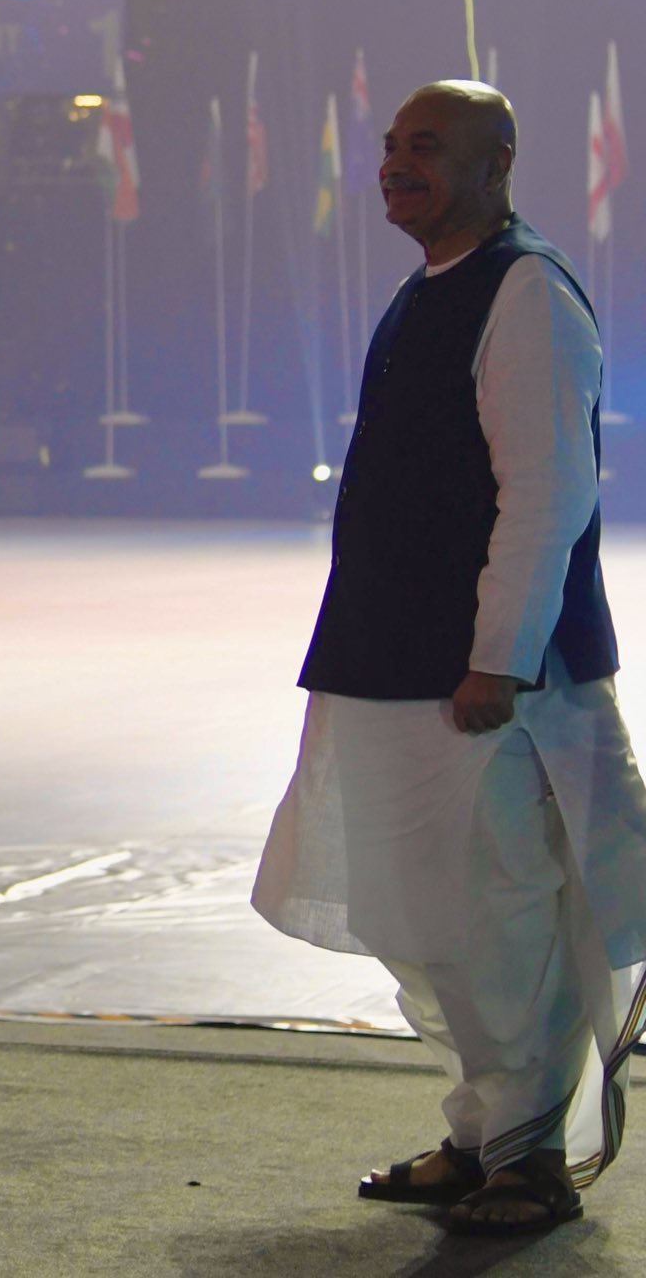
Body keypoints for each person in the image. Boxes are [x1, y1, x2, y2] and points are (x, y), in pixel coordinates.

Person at [253, 81, 646, 1235]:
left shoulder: (524, 291)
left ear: (498, 161)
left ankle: (528, 1157)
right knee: (416, 912)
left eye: (424, 145)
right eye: (388, 145)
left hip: (483, 685)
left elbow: (547, 495)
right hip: (388, 665)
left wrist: (497, 659)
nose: (394, 161)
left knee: (498, 912)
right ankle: (481, 1133)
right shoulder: (430, 286)